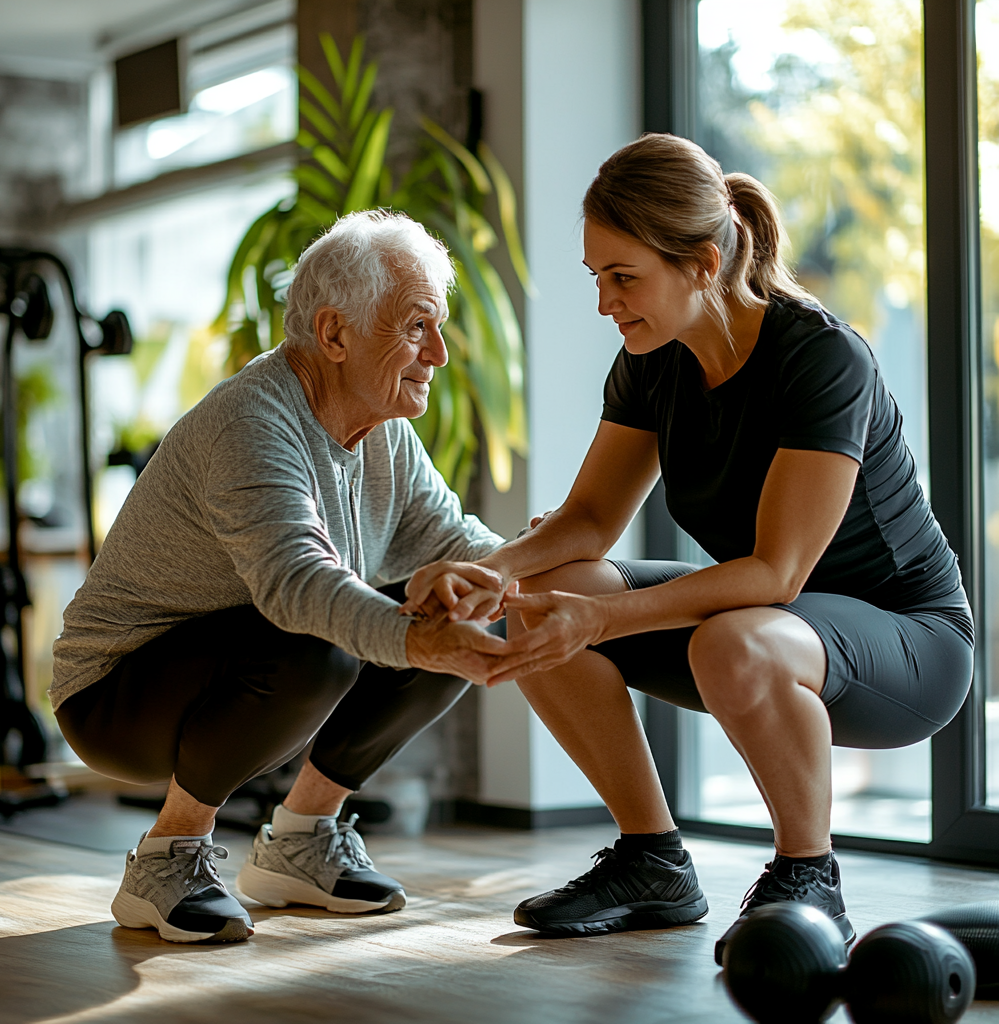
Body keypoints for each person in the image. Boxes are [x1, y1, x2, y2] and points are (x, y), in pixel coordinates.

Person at [402, 134, 974, 962]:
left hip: (906, 642)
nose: (605, 302)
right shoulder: (651, 361)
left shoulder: (821, 357)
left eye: (624, 277)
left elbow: (777, 575)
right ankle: (652, 863)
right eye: (597, 276)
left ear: (704, 263)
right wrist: (483, 569)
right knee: (544, 591)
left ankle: (808, 876)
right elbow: (589, 519)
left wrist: (598, 619)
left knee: (731, 634)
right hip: (766, 621)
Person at [49, 210, 513, 944]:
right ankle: (166, 861)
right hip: (115, 692)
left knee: (456, 608)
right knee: (321, 635)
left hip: (250, 657)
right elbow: (297, 583)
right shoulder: (251, 420)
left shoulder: (384, 431)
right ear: (334, 335)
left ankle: (300, 842)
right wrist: (418, 644)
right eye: (419, 327)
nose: (441, 355)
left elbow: (464, 546)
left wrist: (541, 580)